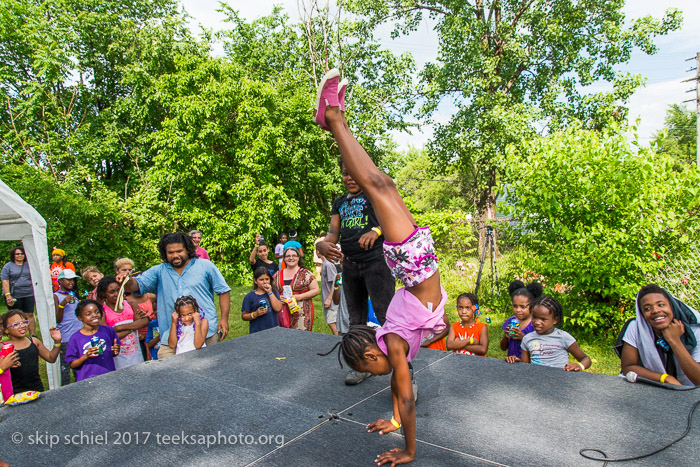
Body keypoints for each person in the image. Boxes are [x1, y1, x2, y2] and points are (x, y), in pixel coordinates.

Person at [316, 69, 446, 466]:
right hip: (413, 267)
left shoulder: (392, 349)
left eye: (371, 370)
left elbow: (404, 394)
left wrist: (408, 449)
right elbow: (398, 391)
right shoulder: (390, 347)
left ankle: (333, 119)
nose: (381, 375)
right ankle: (335, 119)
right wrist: (393, 420)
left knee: (377, 184)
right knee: (382, 183)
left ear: (373, 356)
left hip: (413, 266)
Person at [316, 157, 396, 386]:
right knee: (356, 320)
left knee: (387, 318)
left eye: (353, 172)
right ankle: (361, 365)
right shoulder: (339, 202)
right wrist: (321, 243)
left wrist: (377, 231)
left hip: (376, 264)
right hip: (350, 265)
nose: (349, 178)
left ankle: (405, 372)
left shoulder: (373, 194)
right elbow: (333, 233)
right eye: (345, 173)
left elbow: (393, 219)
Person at [116, 232, 231, 359]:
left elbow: (223, 290)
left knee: (209, 371)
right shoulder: (159, 271)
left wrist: (224, 319)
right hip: (172, 336)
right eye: (170, 252)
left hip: (205, 332)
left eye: (179, 251)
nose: (175, 255)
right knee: (170, 374)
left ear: (188, 249)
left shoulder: (205, 266)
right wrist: (127, 280)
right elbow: (137, 285)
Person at [620, 284, 700, 387]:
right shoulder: (636, 328)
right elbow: (628, 367)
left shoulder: (695, 330)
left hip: (689, 389)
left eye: (661, 305)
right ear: (642, 315)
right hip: (652, 384)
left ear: (672, 306)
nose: (655, 311)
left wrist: (674, 341)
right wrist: (665, 378)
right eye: (647, 309)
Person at [520, 296, 591, 371]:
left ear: (555, 320)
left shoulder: (563, 337)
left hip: (559, 380)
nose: (537, 322)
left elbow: (586, 359)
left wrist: (580, 366)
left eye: (543, 319)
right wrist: (515, 361)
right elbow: (525, 366)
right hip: (536, 379)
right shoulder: (527, 338)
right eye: (534, 317)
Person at [1, 310, 61, 393]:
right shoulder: (3, 347)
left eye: (24, 322)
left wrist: (57, 342)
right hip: (14, 392)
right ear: (6, 330)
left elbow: (51, 358)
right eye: (16, 324)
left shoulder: (34, 341)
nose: (22, 326)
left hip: (36, 389)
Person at [96, 276, 147, 370]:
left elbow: (145, 321)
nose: (116, 294)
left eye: (118, 290)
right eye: (111, 292)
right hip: (118, 359)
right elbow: (108, 336)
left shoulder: (130, 304)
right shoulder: (103, 311)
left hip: (136, 356)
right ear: (103, 294)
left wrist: (119, 328)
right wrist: (133, 326)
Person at [65, 299, 120, 382]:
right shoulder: (75, 338)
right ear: (80, 317)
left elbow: (112, 352)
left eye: (97, 312)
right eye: (88, 314)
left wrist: (116, 351)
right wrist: (85, 356)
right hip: (87, 380)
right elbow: (72, 364)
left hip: (109, 376)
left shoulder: (108, 331)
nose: (94, 315)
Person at [114, 258, 157, 360]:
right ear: (117, 271)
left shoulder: (150, 296)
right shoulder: (125, 298)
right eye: (124, 270)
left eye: (130, 270)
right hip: (133, 337)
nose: (127, 273)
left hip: (150, 333)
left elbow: (155, 313)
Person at [273, 247, 319, 331]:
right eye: (288, 256)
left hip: (302, 313)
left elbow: (316, 290)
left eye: (294, 255)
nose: (291, 258)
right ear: (284, 258)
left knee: (300, 339)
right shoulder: (277, 275)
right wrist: (278, 297)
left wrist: (299, 297)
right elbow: (271, 291)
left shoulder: (306, 273)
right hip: (282, 313)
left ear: (298, 258)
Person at [53, 269, 82, 385]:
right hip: (65, 337)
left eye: (73, 280)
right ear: (60, 281)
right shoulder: (56, 296)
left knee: (79, 365)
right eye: (68, 279)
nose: (72, 282)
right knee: (65, 368)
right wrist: (62, 304)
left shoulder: (73, 294)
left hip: (78, 335)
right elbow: (57, 319)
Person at [502, 280, 542, 363]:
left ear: (532, 305)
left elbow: (539, 352)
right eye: (515, 306)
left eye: (523, 307)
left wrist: (524, 338)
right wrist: (506, 336)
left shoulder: (535, 325)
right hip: (511, 362)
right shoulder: (511, 321)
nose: (518, 310)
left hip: (528, 365)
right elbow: (503, 347)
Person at [2, 247, 37, 335]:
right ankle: (17, 334)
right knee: (16, 316)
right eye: (17, 254)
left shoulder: (29, 265)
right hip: (15, 295)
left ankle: (33, 335)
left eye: (22, 253)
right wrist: (7, 295)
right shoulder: (8, 266)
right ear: (13, 255)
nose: (20, 255)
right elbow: (5, 281)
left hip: (29, 293)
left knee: (29, 314)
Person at [242, 267, 282, 334]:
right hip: (257, 331)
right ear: (255, 281)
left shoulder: (274, 292)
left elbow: (278, 308)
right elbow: (244, 316)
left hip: (274, 330)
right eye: (261, 280)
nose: (265, 282)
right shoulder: (249, 296)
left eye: (267, 279)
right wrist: (255, 314)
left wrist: (270, 292)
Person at [318, 250, 338, 335]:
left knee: (332, 323)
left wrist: (329, 299)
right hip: (327, 299)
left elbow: (335, 282)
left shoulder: (328, 265)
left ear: (318, 252)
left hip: (332, 302)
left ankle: (339, 342)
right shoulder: (324, 264)